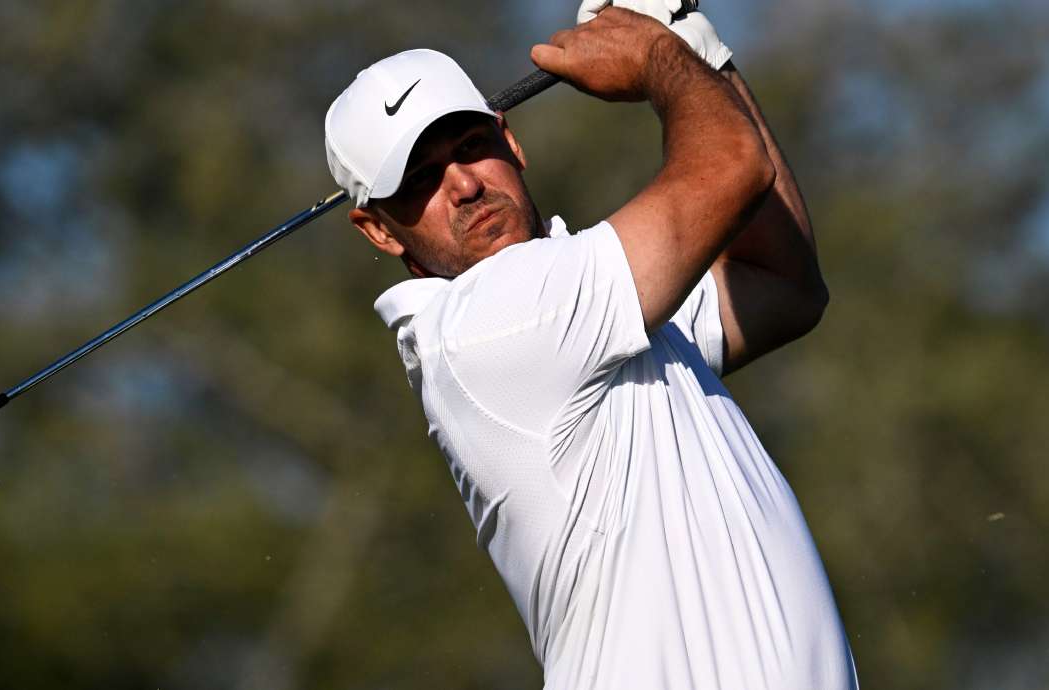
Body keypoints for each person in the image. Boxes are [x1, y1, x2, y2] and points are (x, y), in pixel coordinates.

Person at [323, 2, 857, 688]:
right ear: (379, 231)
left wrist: (697, 44)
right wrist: (663, 53)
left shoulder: (590, 304)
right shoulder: (489, 325)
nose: (463, 185)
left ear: (509, 141)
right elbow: (733, 165)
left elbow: (781, 284)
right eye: (419, 179)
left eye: (469, 146)